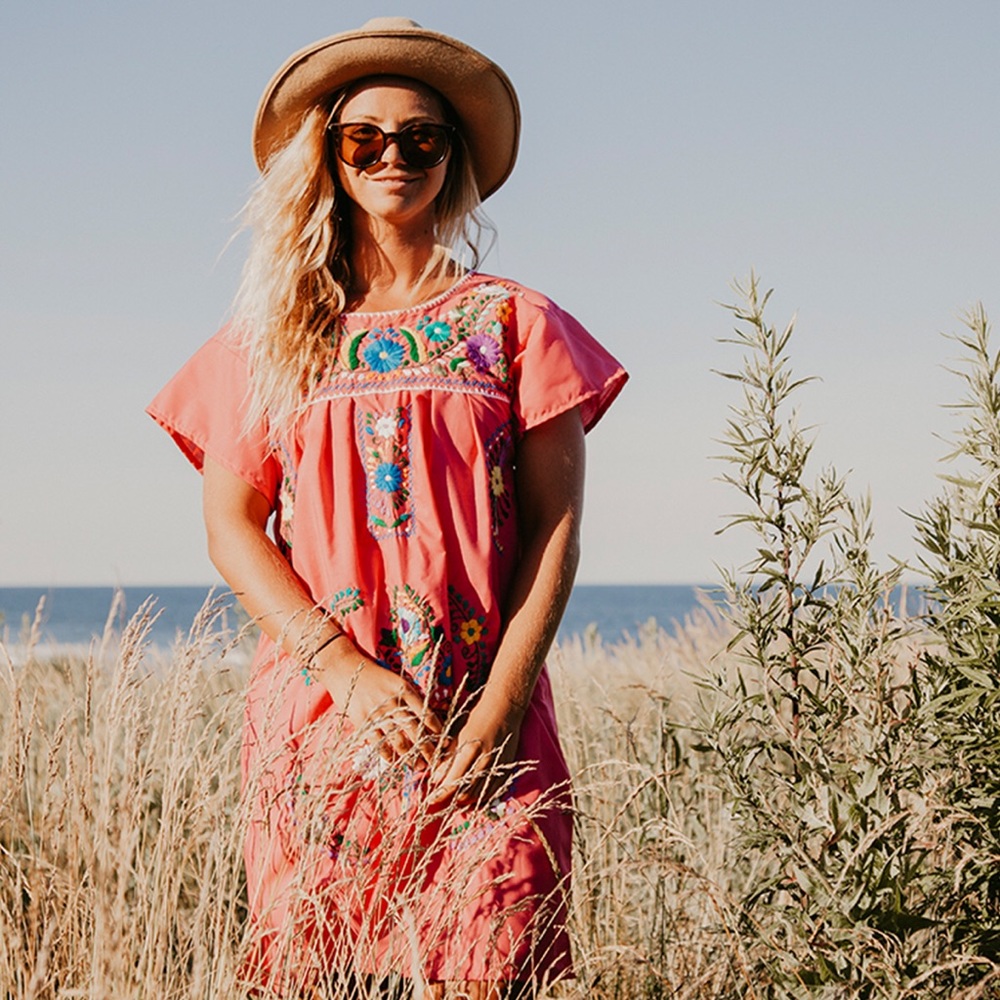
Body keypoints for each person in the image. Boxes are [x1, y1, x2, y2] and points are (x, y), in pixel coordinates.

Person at [148, 17, 627, 1000]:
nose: (393, 156)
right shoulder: (270, 337)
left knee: (494, 965)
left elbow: (556, 532)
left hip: (483, 730)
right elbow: (232, 526)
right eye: (364, 137)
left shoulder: (515, 322)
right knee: (324, 974)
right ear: (329, 158)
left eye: (421, 137)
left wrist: (499, 707)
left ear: (452, 160)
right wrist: (344, 670)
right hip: (322, 727)